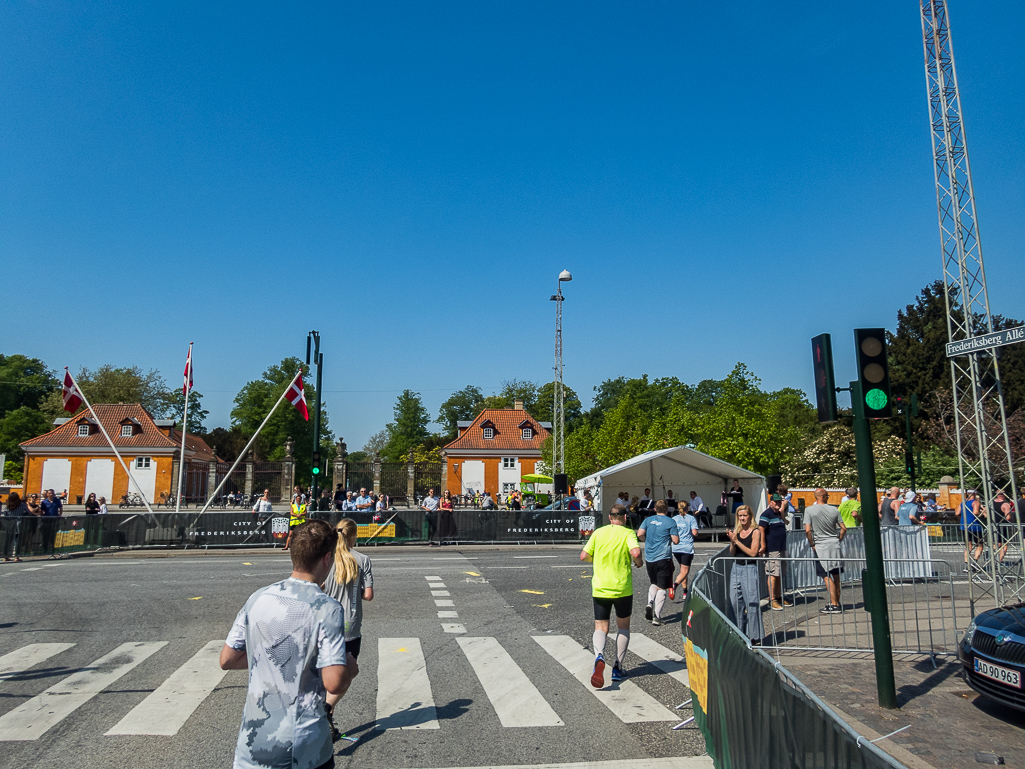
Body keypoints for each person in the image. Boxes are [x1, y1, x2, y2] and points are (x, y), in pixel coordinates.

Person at [220, 520, 358, 769]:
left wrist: (274, 659)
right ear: (327, 559)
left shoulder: (257, 597)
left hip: (253, 740)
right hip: (303, 745)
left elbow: (227, 659)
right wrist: (349, 667)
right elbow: (334, 682)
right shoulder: (326, 608)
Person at [320, 518, 374, 740]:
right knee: (348, 673)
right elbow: (368, 595)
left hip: (326, 623)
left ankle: (324, 714)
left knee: (325, 673)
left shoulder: (327, 558)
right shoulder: (362, 560)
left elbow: (317, 586)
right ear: (354, 536)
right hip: (350, 626)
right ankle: (326, 709)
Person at [580, 504, 643, 688]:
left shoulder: (598, 533)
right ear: (624, 518)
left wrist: (597, 558)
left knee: (601, 626)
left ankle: (599, 655)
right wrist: (638, 562)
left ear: (609, 517)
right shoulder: (627, 533)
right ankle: (617, 666)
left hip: (600, 587)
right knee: (623, 626)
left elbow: (583, 556)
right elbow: (636, 552)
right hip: (622, 588)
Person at [637, 500, 680, 626]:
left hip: (650, 557)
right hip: (663, 557)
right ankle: (657, 616)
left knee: (654, 583)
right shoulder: (670, 521)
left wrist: (647, 541)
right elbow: (676, 541)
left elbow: (639, 534)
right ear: (667, 509)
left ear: (655, 509)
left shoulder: (648, 520)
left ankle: (650, 602)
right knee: (663, 587)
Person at [804, 487, 847, 613]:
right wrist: (838, 539)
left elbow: (808, 530)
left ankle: (834, 605)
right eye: (827, 495)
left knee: (826, 576)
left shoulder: (809, 510)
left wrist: (812, 544)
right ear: (823, 496)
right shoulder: (834, 509)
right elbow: (843, 528)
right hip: (834, 544)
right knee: (836, 575)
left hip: (821, 545)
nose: (828, 497)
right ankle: (836, 602)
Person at [726, 505, 763, 644]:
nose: (742, 518)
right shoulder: (738, 530)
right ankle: (739, 633)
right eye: (740, 516)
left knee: (751, 603)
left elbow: (753, 553)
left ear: (750, 516)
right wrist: (732, 541)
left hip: (749, 567)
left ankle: (754, 636)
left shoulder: (755, 531)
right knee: (735, 601)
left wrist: (736, 541)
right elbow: (733, 552)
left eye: (744, 515)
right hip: (736, 568)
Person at [759, 494, 792, 611]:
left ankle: (778, 596)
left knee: (779, 573)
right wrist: (763, 545)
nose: (778, 504)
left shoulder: (779, 514)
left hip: (781, 547)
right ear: (771, 502)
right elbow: (761, 529)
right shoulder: (766, 514)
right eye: (776, 502)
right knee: (772, 573)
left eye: (779, 502)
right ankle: (772, 599)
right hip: (772, 548)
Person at [671, 501, 699, 601]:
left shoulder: (674, 519)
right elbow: (694, 532)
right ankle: (674, 585)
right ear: (687, 508)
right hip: (686, 548)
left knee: (682, 570)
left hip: (676, 548)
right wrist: (696, 533)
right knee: (685, 571)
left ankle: (685, 591)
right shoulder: (691, 518)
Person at [958, 490, 984, 568]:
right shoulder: (975, 502)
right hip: (975, 526)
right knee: (979, 545)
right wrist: (982, 513)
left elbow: (957, 513)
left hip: (964, 526)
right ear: (975, 494)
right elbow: (975, 512)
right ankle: (974, 561)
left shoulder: (963, 503)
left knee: (968, 546)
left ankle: (966, 564)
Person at [3, 491, 28, 562]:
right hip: (19, 523)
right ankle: (17, 557)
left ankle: (6, 556)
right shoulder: (21, 505)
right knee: (17, 541)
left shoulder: (7, 505)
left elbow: (5, 515)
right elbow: (27, 512)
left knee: (8, 541)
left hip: (10, 523)